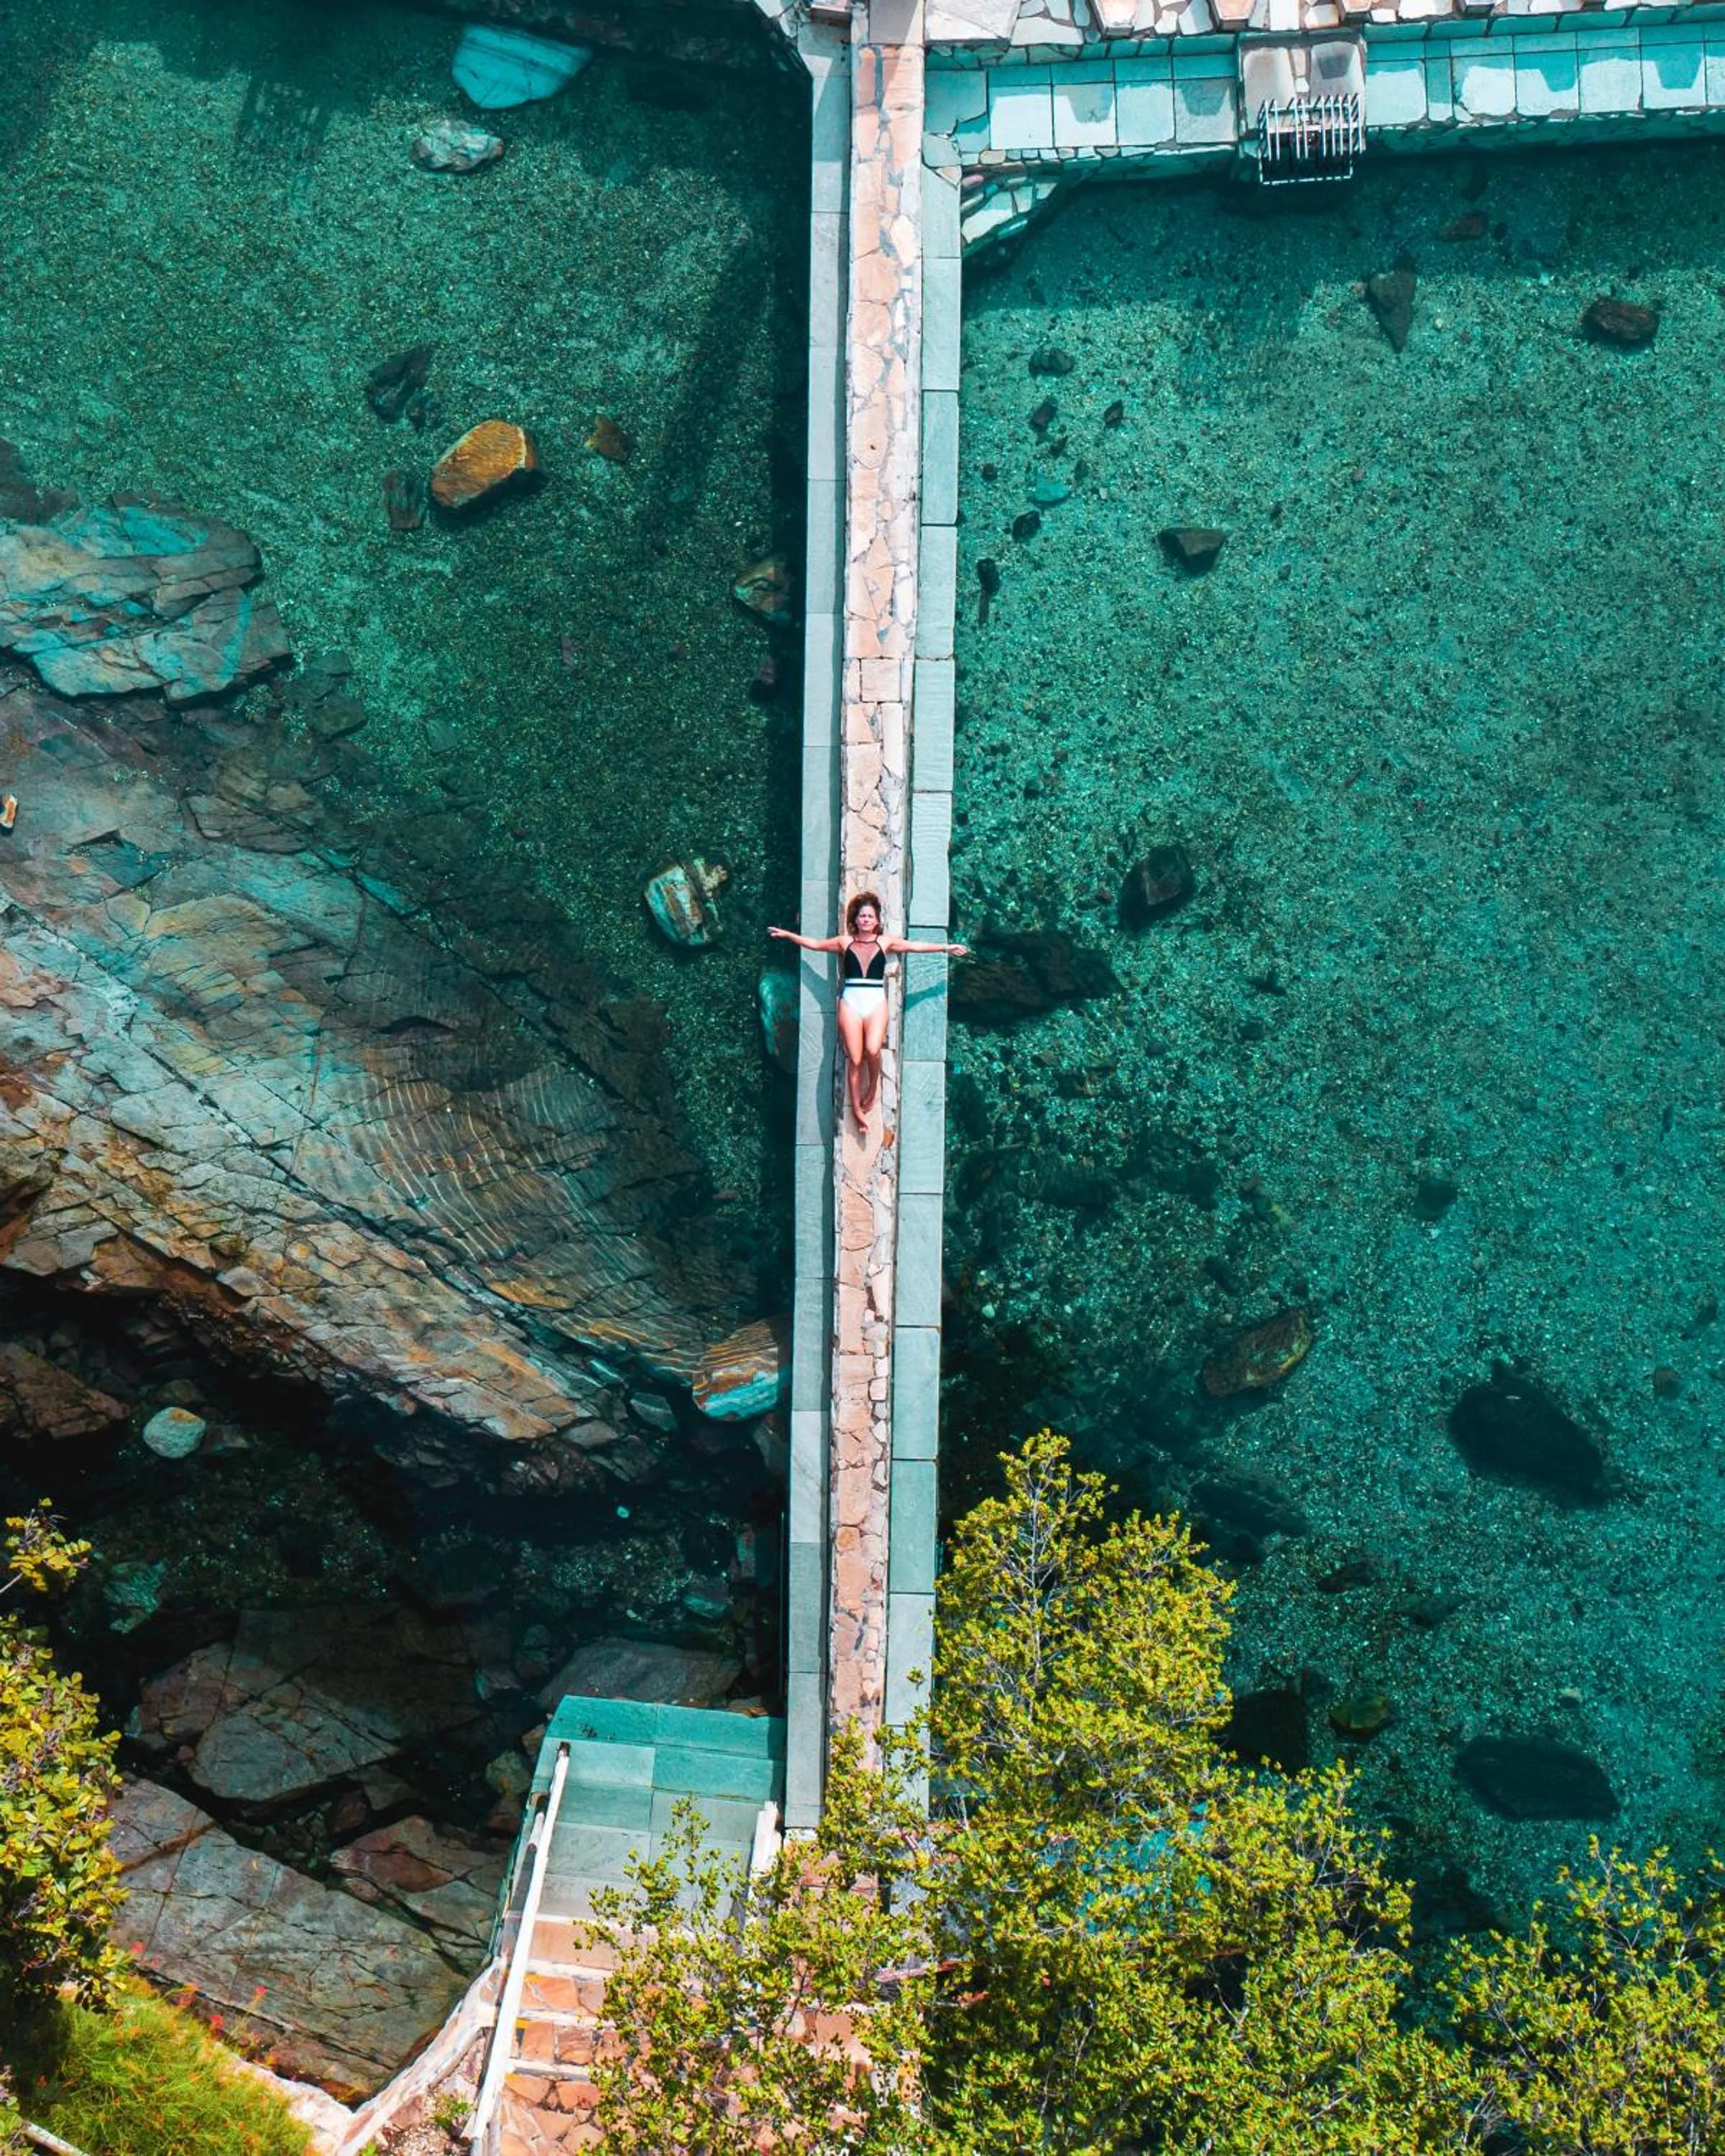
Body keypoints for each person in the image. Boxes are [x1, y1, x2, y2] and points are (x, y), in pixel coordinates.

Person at [768, 894, 967, 1130]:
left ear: (876, 920)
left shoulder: (885, 942)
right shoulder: (844, 942)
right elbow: (817, 944)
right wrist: (789, 936)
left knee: (873, 1049)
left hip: (874, 1002)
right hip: (850, 1002)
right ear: (856, 918)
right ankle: (858, 1111)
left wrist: (947, 947)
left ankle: (873, 1085)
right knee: (854, 1058)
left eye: (870, 916)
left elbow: (915, 946)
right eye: (862, 915)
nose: (865, 919)